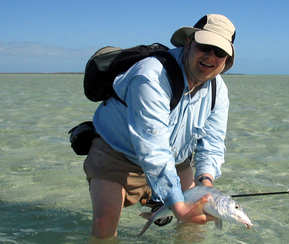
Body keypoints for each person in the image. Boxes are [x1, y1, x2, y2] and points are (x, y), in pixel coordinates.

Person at [83, 13, 236, 240]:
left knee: (194, 226)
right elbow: (152, 147)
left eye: (219, 52)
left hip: (176, 159)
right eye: (205, 46)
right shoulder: (151, 76)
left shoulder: (218, 89)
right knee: (104, 224)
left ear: (227, 59)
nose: (210, 57)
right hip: (117, 153)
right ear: (189, 43)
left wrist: (206, 184)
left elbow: (212, 142)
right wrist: (178, 204)